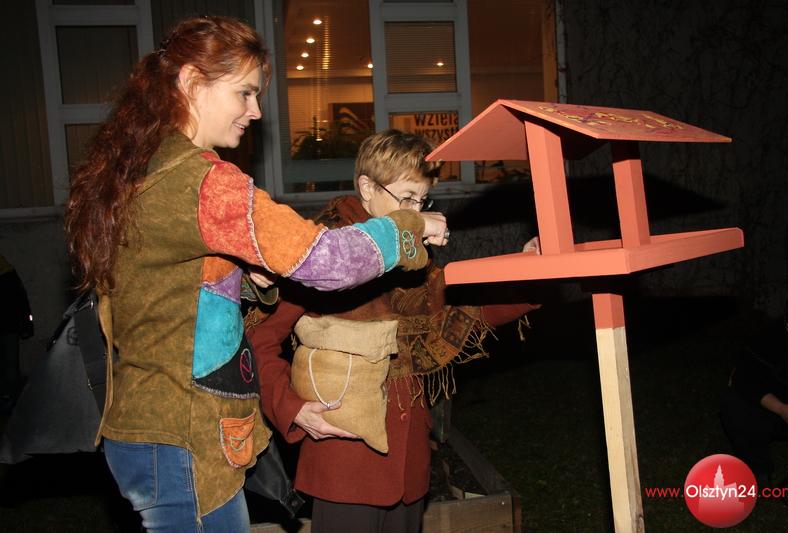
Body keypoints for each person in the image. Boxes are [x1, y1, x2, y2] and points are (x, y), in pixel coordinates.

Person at [63, 17, 448, 532]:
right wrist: (408, 226)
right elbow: (326, 261)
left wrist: (244, 278)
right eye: (244, 92)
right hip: (182, 435)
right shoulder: (204, 183)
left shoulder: (149, 167)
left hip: (157, 429)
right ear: (191, 82)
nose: (256, 111)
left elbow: (164, 285)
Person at [249, 129, 540, 532]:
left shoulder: (413, 252)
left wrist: (527, 276)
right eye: (406, 198)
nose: (416, 212)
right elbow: (259, 338)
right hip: (344, 465)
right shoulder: (323, 252)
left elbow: (460, 309)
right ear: (367, 188)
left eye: (422, 201)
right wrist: (292, 408)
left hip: (408, 464)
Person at [721, 289, 788, 485]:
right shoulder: (771, 338)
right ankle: (758, 470)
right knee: (734, 403)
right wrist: (781, 409)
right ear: (786, 322)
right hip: (779, 409)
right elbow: (742, 377)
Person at [0, 254, 34, 413]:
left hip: (9, 326)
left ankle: (16, 405)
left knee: (10, 370)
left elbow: (20, 300)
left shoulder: (7, 274)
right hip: (10, 325)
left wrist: (26, 323)